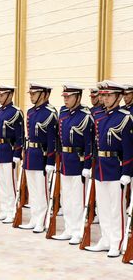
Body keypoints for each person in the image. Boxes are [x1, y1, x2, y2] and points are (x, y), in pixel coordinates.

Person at [85, 80, 133, 257]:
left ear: (119, 97)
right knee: (103, 207)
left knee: (116, 209)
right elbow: (96, 145)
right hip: (101, 167)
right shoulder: (99, 117)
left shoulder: (125, 118)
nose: (104, 99)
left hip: (116, 168)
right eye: (103, 95)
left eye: (108, 95)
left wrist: (127, 172)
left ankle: (117, 242)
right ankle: (105, 239)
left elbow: (129, 148)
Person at [52, 84, 93, 244]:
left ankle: (78, 231)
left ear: (78, 97)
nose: (66, 99)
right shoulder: (63, 113)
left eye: (69, 97)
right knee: (67, 198)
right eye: (64, 97)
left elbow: (89, 144)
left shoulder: (85, 116)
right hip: (65, 161)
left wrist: (87, 165)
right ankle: (69, 229)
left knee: (77, 200)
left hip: (78, 161)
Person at [18, 82, 57, 233]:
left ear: (44, 94)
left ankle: (41, 220)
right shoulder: (30, 112)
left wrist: (51, 161)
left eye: (34, 93)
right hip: (31, 154)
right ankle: (34, 218)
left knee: (41, 191)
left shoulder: (50, 113)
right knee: (33, 190)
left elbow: (52, 140)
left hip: (42, 155)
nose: (31, 96)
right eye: (31, 93)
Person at [0, 85, 24, 223]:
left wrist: (17, 153)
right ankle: (4, 209)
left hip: (9, 151)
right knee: (1, 183)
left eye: (2, 95)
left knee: (10, 183)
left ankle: (12, 211)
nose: (0, 97)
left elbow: (20, 135)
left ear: (10, 95)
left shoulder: (16, 112)